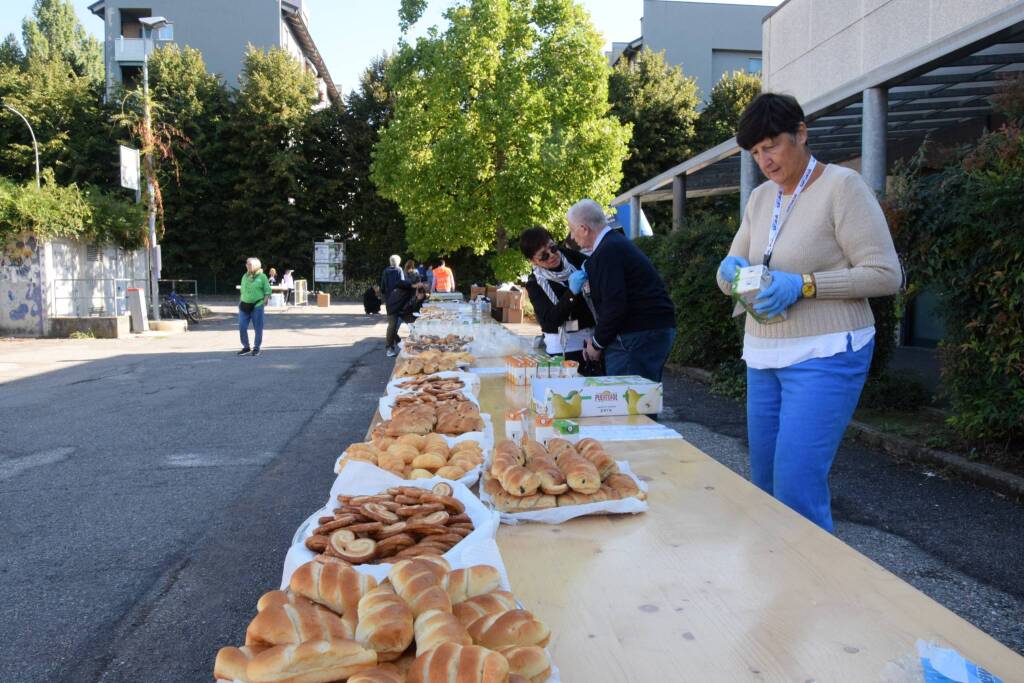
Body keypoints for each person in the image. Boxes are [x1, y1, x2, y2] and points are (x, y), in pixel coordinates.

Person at [715, 92, 901, 532]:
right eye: (756, 152)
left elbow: (885, 274)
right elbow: (728, 279)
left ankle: (818, 596)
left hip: (827, 353)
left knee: (796, 490)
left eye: (771, 145)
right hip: (764, 355)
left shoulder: (843, 187)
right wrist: (729, 272)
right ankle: (774, 588)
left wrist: (806, 285)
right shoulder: (760, 199)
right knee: (764, 486)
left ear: (801, 133)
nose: (765, 159)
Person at [567, 199, 676, 382]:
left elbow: (614, 305)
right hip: (651, 329)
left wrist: (596, 344)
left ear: (584, 228)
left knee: (628, 404)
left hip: (636, 334)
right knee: (641, 400)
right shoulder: (614, 244)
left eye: (572, 229)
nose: (571, 236)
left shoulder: (607, 251)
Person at [519, 226, 603, 376]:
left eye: (553, 248)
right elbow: (549, 321)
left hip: (593, 340)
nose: (552, 255)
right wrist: (571, 293)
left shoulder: (573, 258)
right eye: (543, 256)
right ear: (533, 261)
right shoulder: (535, 284)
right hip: (564, 347)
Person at [238, 257, 272, 357]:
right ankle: (246, 347)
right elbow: (242, 290)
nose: (247, 265)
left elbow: (267, 290)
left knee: (258, 328)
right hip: (244, 305)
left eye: (249, 264)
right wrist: (240, 301)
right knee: (242, 326)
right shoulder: (245, 276)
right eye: (246, 264)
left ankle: (256, 348)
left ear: (256, 265)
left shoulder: (262, 277)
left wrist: (264, 301)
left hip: (257, 305)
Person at [385, 281, 427, 357]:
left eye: (421, 295)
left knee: (416, 323)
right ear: (417, 290)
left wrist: (418, 300)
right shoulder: (408, 287)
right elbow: (398, 283)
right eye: (419, 293)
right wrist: (413, 285)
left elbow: (417, 310)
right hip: (394, 308)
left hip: (405, 312)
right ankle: (389, 348)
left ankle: (417, 345)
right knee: (392, 326)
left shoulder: (421, 298)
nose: (419, 295)